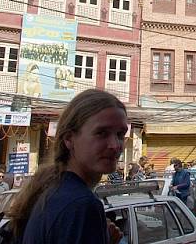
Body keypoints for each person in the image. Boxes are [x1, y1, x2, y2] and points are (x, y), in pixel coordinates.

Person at [10, 88, 126, 244]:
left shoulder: (49, 191)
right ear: (69, 139)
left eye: (120, 135)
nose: (115, 145)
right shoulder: (81, 204)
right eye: (101, 133)